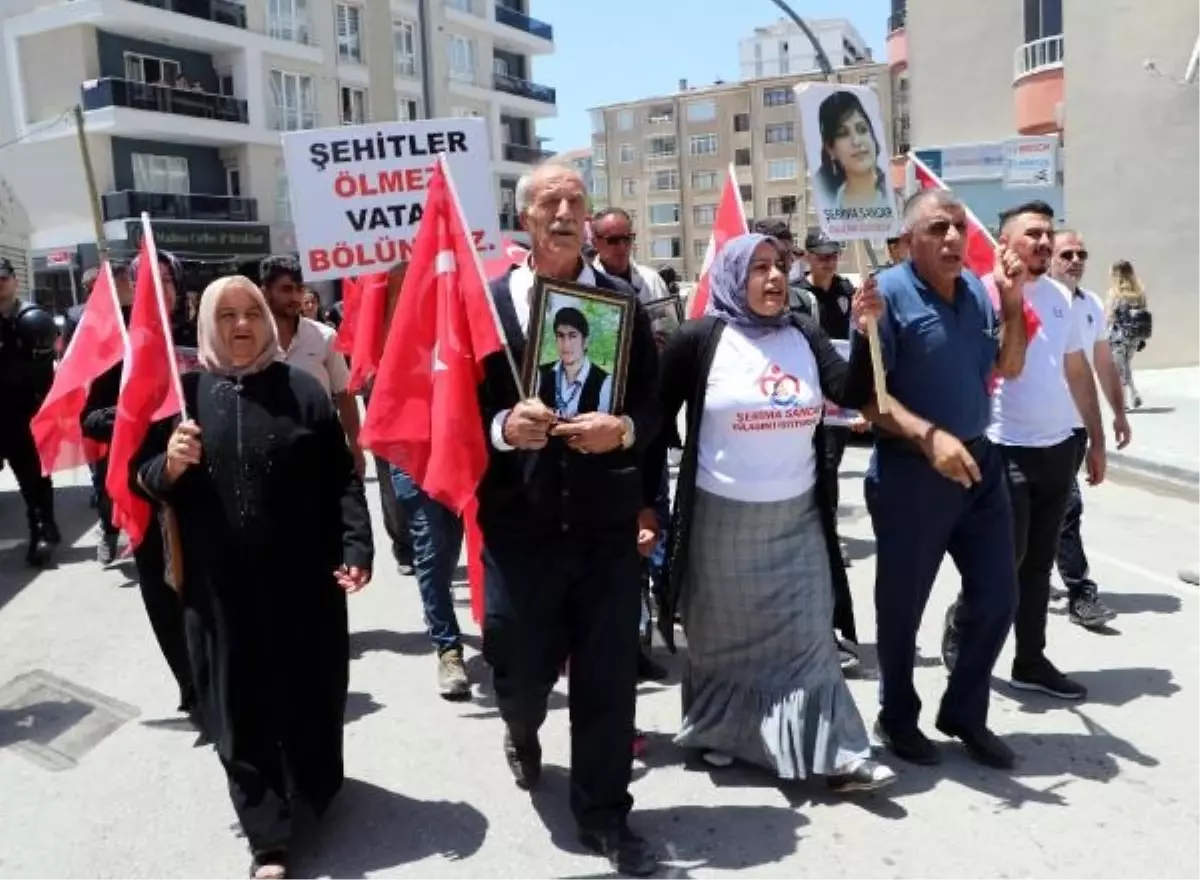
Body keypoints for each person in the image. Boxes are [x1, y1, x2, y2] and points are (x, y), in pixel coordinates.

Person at [133, 276, 372, 879]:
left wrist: (355, 545)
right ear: (208, 325)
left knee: (308, 692)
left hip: (303, 584)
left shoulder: (303, 391)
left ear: (268, 321)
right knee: (236, 705)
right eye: (227, 316)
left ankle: (312, 788)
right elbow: (144, 479)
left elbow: (340, 476)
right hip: (219, 591)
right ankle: (267, 838)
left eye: (252, 314)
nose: (241, 326)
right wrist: (172, 462)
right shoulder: (184, 399)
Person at [651, 232, 893, 792]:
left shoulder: (803, 332)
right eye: (759, 268)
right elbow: (655, 423)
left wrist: (865, 333)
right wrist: (645, 507)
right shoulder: (700, 338)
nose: (775, 277)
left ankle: (841, 755)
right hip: (721, 525)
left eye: (780, 266)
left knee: (812, 639)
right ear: (735, 276)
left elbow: (849, 392)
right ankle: (719, 732)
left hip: (797, 522)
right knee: (722, 647)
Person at [479, 159, 661, 876]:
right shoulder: (488, 305)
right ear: (524, 217)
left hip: (605, 526)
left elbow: (651, 406)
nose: (563, 210)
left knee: (609, 676)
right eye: (549, 199)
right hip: (520, 524)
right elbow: (455, 409)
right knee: (519, 667)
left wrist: (623, 433)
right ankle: (521, 730)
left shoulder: (622, 303)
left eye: (575, 199)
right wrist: (503, 428)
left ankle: (606, 814)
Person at [860, 189, 1029, 770]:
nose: (954, 237)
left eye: (958, 226)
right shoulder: (884, 296)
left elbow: (1008, 366)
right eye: (938, 228)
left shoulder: (979, 294)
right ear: (910, 241)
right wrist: (928, 436)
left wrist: (1012, 303)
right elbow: (871, 401)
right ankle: (896, 716)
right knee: (901, 606)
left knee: (999, 595)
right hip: (912, 473)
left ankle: (963, 710)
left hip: (979, 467)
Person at [942, 201, 1106, 702]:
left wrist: (1096, 438)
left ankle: (1029, 660)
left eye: (1047, 234)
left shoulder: (1061, 296)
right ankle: (964, 621)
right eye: (1032, 233)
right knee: (1003, 562)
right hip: (1003, 448)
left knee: (1037, 565)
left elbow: (1077, 370)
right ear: (1004, 241)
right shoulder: (980, 294)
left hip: (1059, 450)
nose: (1043, 241)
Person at [82, 251, 199, 719]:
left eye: (168, 281)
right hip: (149, 487)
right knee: (163, 588)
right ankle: (190, 684)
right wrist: (132, 411)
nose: (161, 289)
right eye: (149, 280)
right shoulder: (122, 348)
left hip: (208, 484)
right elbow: (90, 418)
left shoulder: (204, 333)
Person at [1050, 231, 1129, 630]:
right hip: (1034, 430)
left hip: (1074, 427)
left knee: (1064, 509)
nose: (1076, 259)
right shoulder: (1035, 300)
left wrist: (1118, 413)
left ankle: (1077, 592)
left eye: (1082, 253)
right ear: (1049, 257)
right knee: (1056, 510)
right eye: (1067, 253)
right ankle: (1076, 590)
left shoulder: (1091, 304)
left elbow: (1103, 362)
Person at [260, 255, 366, 478]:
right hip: (269, 454)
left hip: (321, 450)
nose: (295, 297)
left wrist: (356, 448)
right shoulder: (253, 341)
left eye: (299, 289)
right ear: (266, 292)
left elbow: (344, 395)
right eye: (286, 289)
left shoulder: (325, 337)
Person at [0, 256, 61, 566]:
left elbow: (42, 375)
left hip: (23, 410)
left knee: (32, 476)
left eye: (2, 279)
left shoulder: (32, 319)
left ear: (14, 281)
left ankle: (43, 528)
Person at [814, 90, 891, 213]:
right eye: (843, 133)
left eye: (862, 129)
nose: (856, 141)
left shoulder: (898, 203)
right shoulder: (828, 210)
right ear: (831, 149)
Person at [1105, 259, 1151, 410]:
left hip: (1119, 336)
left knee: (1120, 368)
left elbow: (1110, 316)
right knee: (1125, 365)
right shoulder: (1139, 291)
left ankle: (1125, 399)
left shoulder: (1115, 293)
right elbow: (1143, 311)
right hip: (1135, 336)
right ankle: (1133, 394)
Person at [750, 219, 817, 317]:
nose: (776, 271)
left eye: (785, 255)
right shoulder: (733, 311)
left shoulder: (807, 302)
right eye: (763, 263)